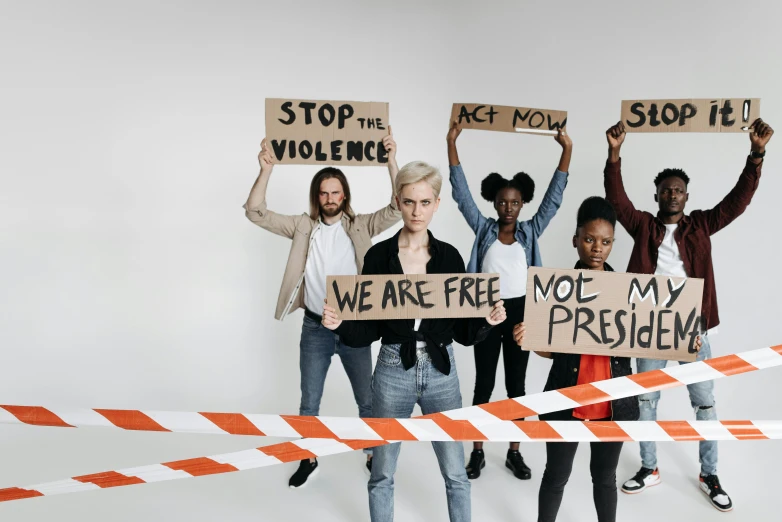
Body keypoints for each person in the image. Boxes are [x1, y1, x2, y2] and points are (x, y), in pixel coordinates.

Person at [321, 160, 507, 522]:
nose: (417, 211)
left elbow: (462, 332)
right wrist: (340, 323)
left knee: (456, 473)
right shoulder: (378, 257)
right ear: (398, 200)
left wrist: (486, 320)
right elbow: (369, 329)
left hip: (442, 371)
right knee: (382, 473)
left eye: (425, 203)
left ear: (436, 204)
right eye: (409, 202)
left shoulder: (450, 257)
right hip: (392, 370)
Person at [604, 118, 774, 512]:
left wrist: (757, 155)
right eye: (667, 191)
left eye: (679, 191)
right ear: (658, 195)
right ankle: (650, 468)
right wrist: (614, 154)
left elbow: (738, 202)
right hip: (649, 326)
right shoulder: (643, 225)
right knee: (646, 400)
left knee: (705, 403)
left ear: (686, 195)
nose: (673, 196)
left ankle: (709, 473)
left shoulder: (700, 226)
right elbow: (617, 200)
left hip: (692, 326)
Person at [513, 197, 702, 522]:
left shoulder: (627, 291)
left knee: (604, 479)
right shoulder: (558, 290)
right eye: (589, 239)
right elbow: (550, 350)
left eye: (605, 241)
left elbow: (649, 334)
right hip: (565, 401)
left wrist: (681, 337)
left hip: (613, 406)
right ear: (576, 240)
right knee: (555, 476)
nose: (596, 248)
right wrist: (528, 340)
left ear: (613, 243)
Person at [243, 130, 402, 488]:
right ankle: (308, 456)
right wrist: (266, 169)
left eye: (335, 191)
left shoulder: (360, 225)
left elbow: (397, 207)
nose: (329, 198)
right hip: (315, 328)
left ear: (344, 194)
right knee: (309, 402)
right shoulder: (302, 226)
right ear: (317, 196)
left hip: (355, 328)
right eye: (323, 192)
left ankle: (373, 454)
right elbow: (255, 212)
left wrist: (391, 160)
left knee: (367, 399)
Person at [446, 121, 572, 480]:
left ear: (522, 203)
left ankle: (515, 451)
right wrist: (452, 142)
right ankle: (478, 451)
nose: (508, 207)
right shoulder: (484, 228)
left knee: (516, 386)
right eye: (503, 201)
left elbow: (554, 199)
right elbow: (461, 195)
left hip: (521, 315)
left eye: (515, 202)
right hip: (487, 312)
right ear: (494, 202)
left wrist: (566, 150)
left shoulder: (530, 231)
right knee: (483, 384)